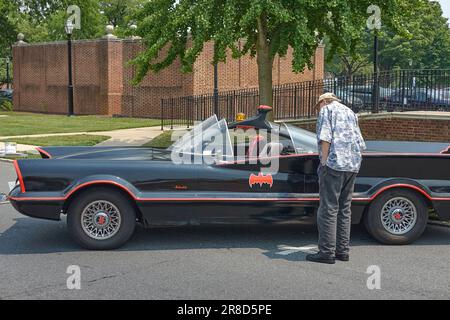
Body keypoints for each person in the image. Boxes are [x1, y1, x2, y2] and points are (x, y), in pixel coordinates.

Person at [306, 93, 366, 265]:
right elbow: (360, 142)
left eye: (318, 106)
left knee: (328, 209)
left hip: (334, 164)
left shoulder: (327, 111)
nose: (319, 110)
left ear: (324, 101)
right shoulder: (351, 112)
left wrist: (324, 162)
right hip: (352, 165)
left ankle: (326, 252)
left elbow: (325, 138)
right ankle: (343, 251)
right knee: (345, 209)